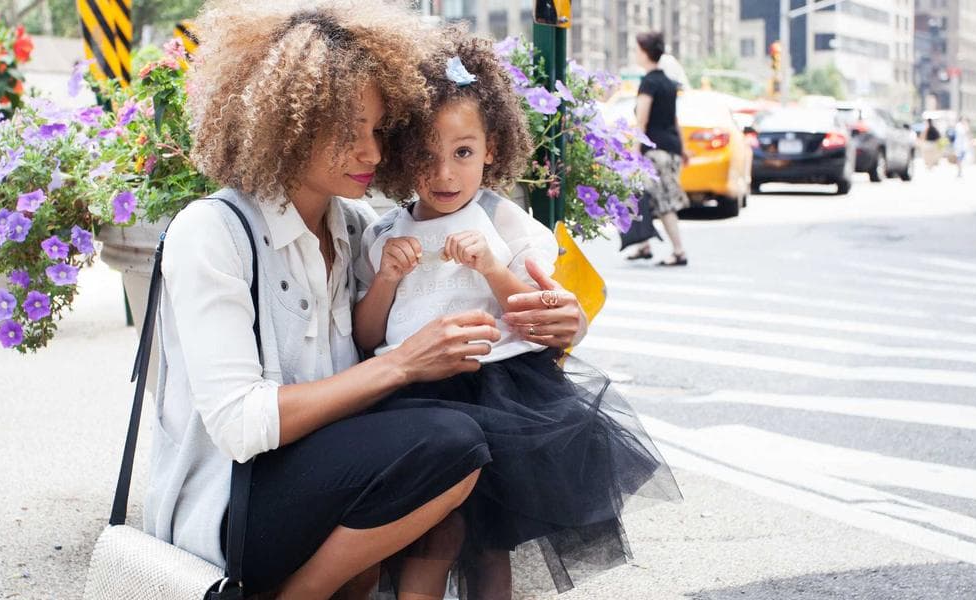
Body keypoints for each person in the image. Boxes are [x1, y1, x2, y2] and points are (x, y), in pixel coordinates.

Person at [145, 3, 593, 599]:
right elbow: (240, 425)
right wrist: (404, 363)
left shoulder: (357, 228)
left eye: (379, 132)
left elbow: (505, 295)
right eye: (347, 133)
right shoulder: (213, 231)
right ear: (287, 124)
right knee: (448, 441)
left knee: (454, 442)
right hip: (234, 508)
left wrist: (571, 321)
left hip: (329, 479)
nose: (374, 155)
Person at [357, 30, 678, 600]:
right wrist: (385, 278)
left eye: (463, 152)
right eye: (426, 155)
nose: (445, 174)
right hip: (412, 398)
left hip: (500, 398)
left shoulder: (507, 227)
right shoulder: (386, 232)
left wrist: (493, 269)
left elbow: (537, 321)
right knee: (429, 538)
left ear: (492, 149)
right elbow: (368, 334)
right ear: (403, 156)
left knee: (488, 543)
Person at [628, 31, 690, 266]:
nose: (636, 54)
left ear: (645, 53)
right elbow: (674, 120)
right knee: (641, 195)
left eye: (637, 50)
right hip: (671, 148)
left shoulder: (649, 83)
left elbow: (641, 123)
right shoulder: (668, 83)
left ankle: (679, 251)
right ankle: (644, 245)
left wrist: (635, 153)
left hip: (655, 151)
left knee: (662, 201)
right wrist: (682, 149)